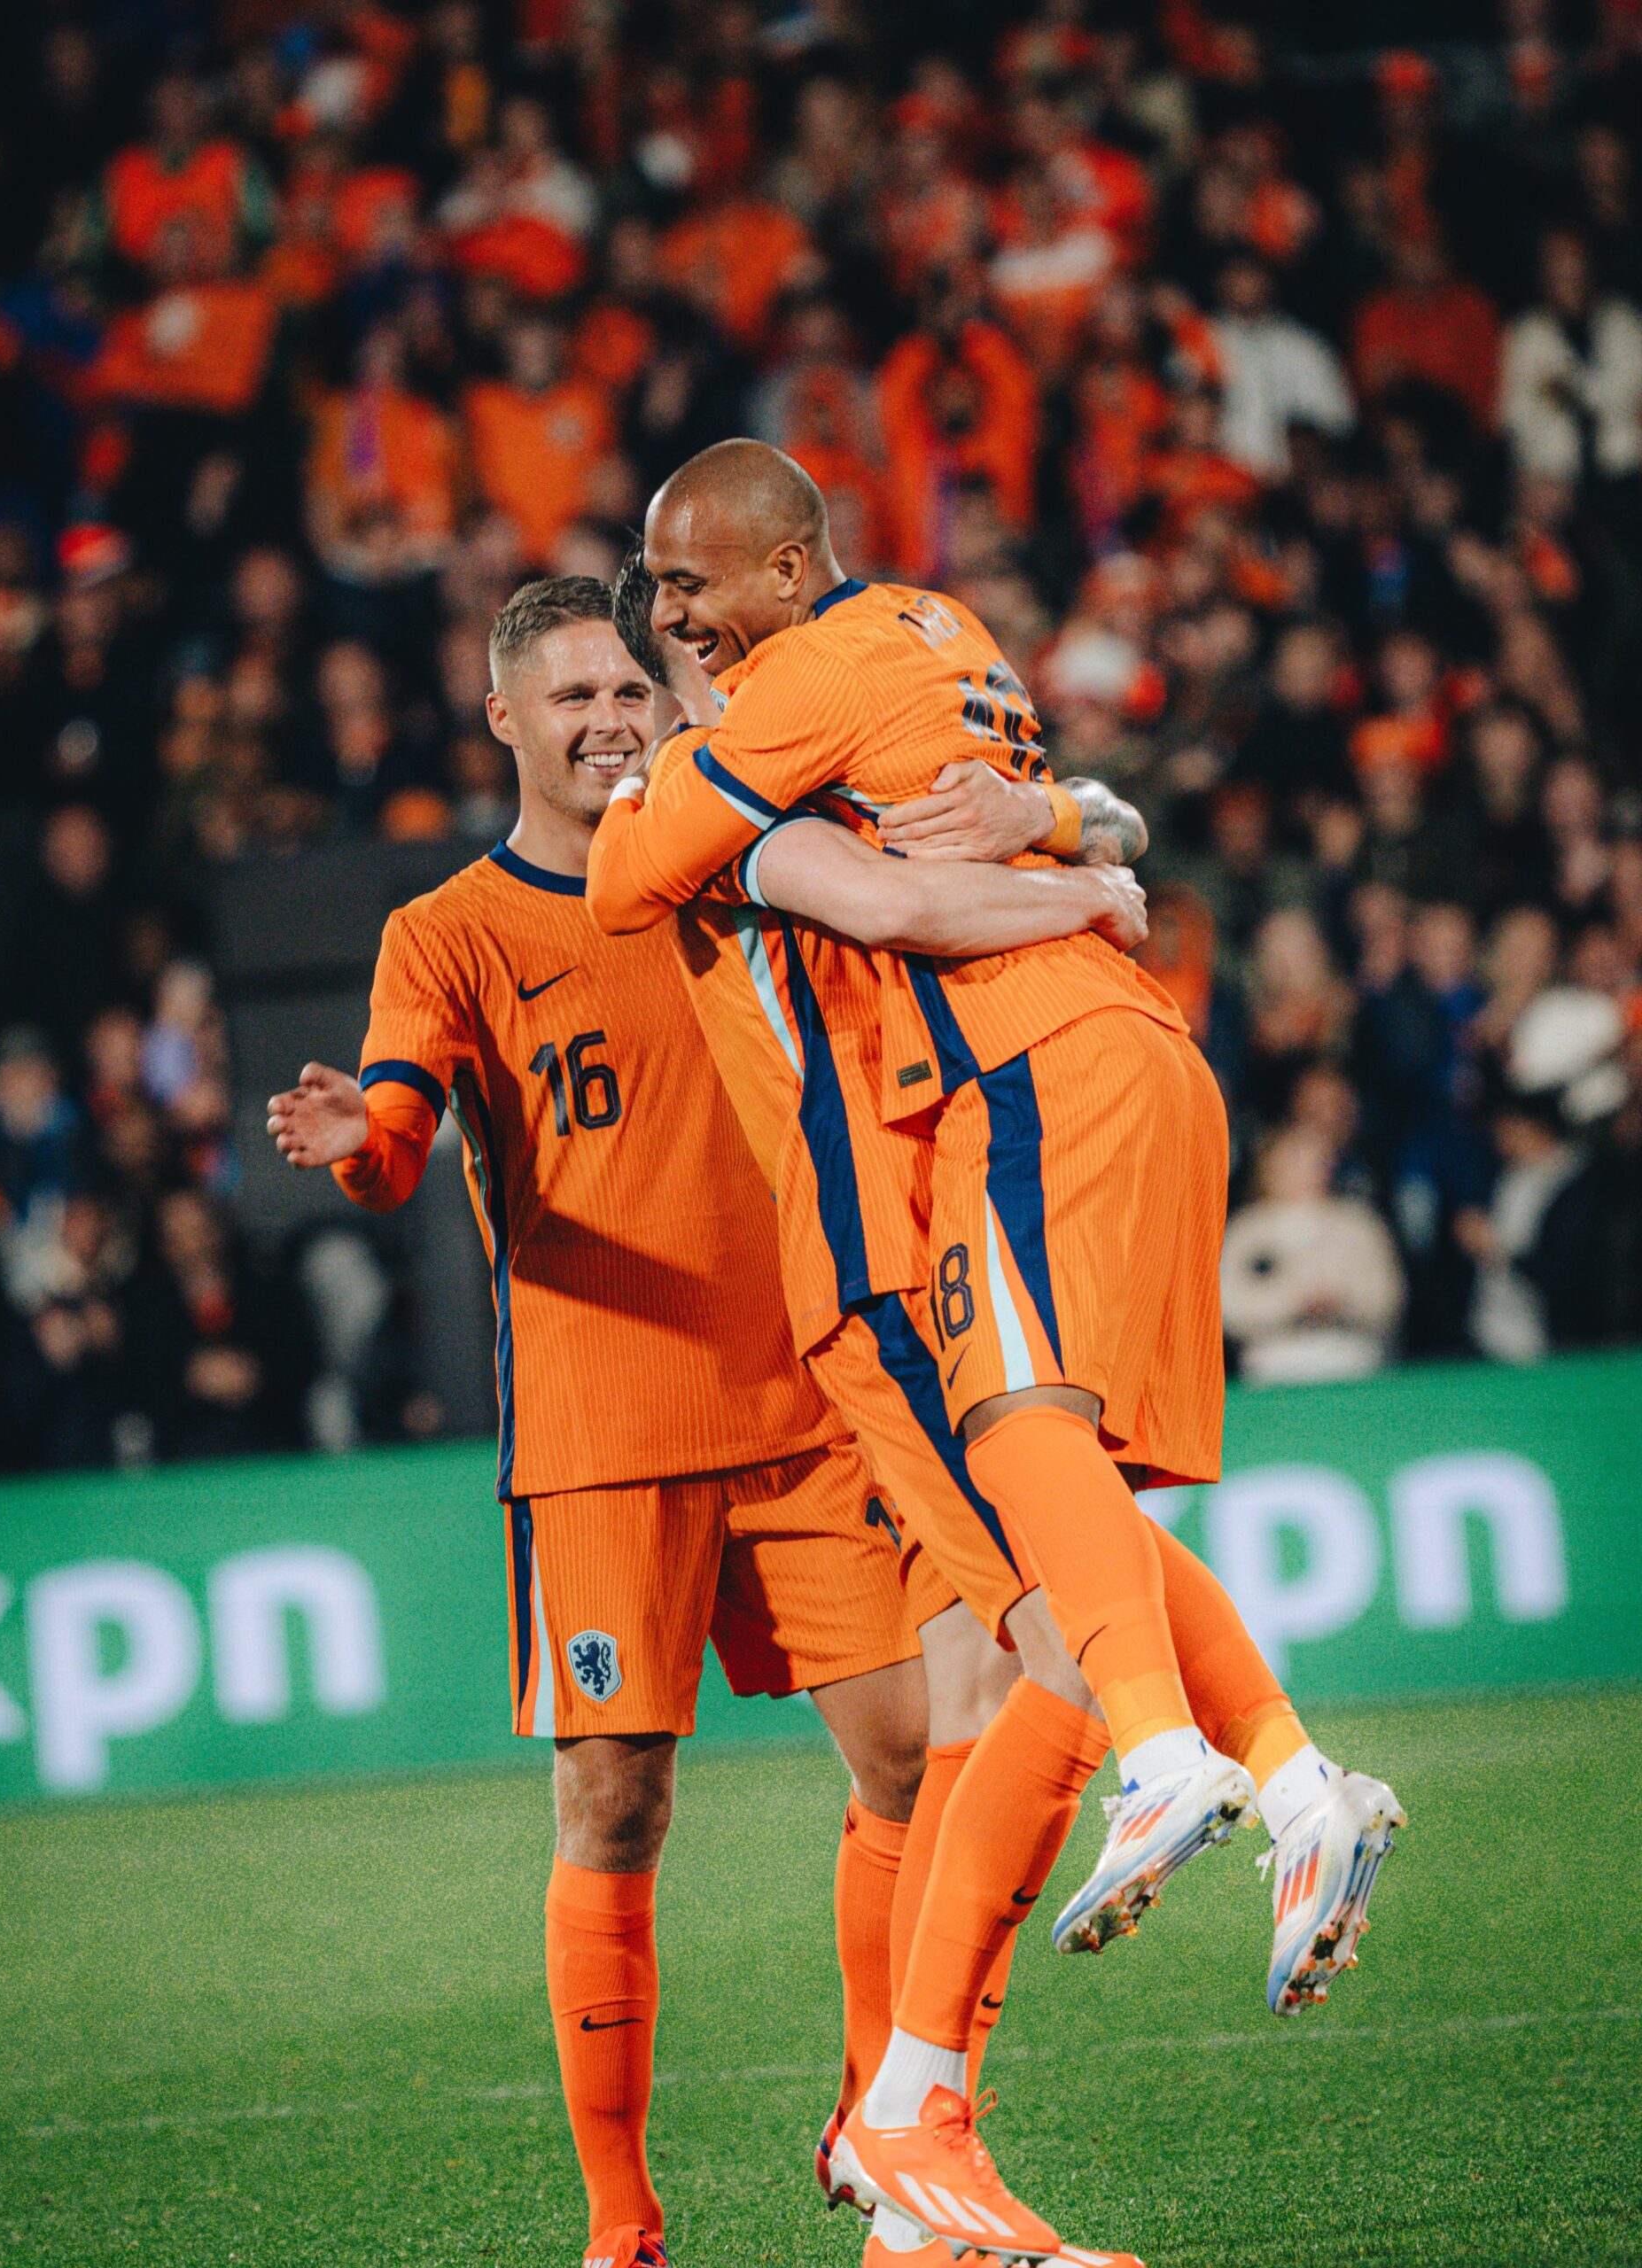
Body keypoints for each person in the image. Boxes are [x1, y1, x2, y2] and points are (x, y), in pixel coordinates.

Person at [267, 577, 1149, 2268]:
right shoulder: (447, 930)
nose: (612, 718)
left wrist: (1066, 833)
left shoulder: (737, 859)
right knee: (616, 1809)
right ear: (504, 716)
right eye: (575, 695)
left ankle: (880, 2149)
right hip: (602, 1436)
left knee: (911, 1763)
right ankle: (622, 2222)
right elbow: (396, 1133)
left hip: (812, 1400)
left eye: (630, 687)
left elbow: (938, 888)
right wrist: (358, 1149)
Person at [587, 443, 1404, 2258]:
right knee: (1046, 1627)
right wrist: (1087, 882)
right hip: (878, 1237)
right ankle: (925, 2110)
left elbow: (1003, 803)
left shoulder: (820, 716)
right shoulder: (721, 806)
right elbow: (899, 902)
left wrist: (1071, 819)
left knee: (1020, 1649)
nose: (647, 645)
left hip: (921, 1201)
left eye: (650, 634)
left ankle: (917, 2144)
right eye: (595, 665)